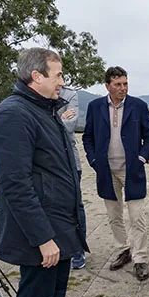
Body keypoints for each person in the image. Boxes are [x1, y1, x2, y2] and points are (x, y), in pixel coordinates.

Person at [0, 47, 94, 297]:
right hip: (40, 231)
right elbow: (15, 185)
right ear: (37, 76)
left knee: (56, 289)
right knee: (35, 295)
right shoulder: (12, 116)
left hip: (60, 223)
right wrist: (42, 237)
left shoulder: (44, 110)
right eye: (58, 75)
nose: (62, 81)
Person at [82, 66, 149, 281]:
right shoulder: (95, 107)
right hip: (106, 171)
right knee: (114, 217)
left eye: (125, 83)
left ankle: (140, 258)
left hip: (132, 171)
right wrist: (94, 160)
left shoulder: (138, 106)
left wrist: (141, 158)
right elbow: (88, 137)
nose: (122, 88)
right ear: (107, 86)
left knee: (137, 218)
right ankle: (124, 250)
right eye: (118, 84)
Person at [57, 86, 87, 270]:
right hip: (46, 164)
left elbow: (70, 124)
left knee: (75, 206)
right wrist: (59, 118)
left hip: (70, 163)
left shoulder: (70, 95)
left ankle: (78, 252)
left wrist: (43, 121)